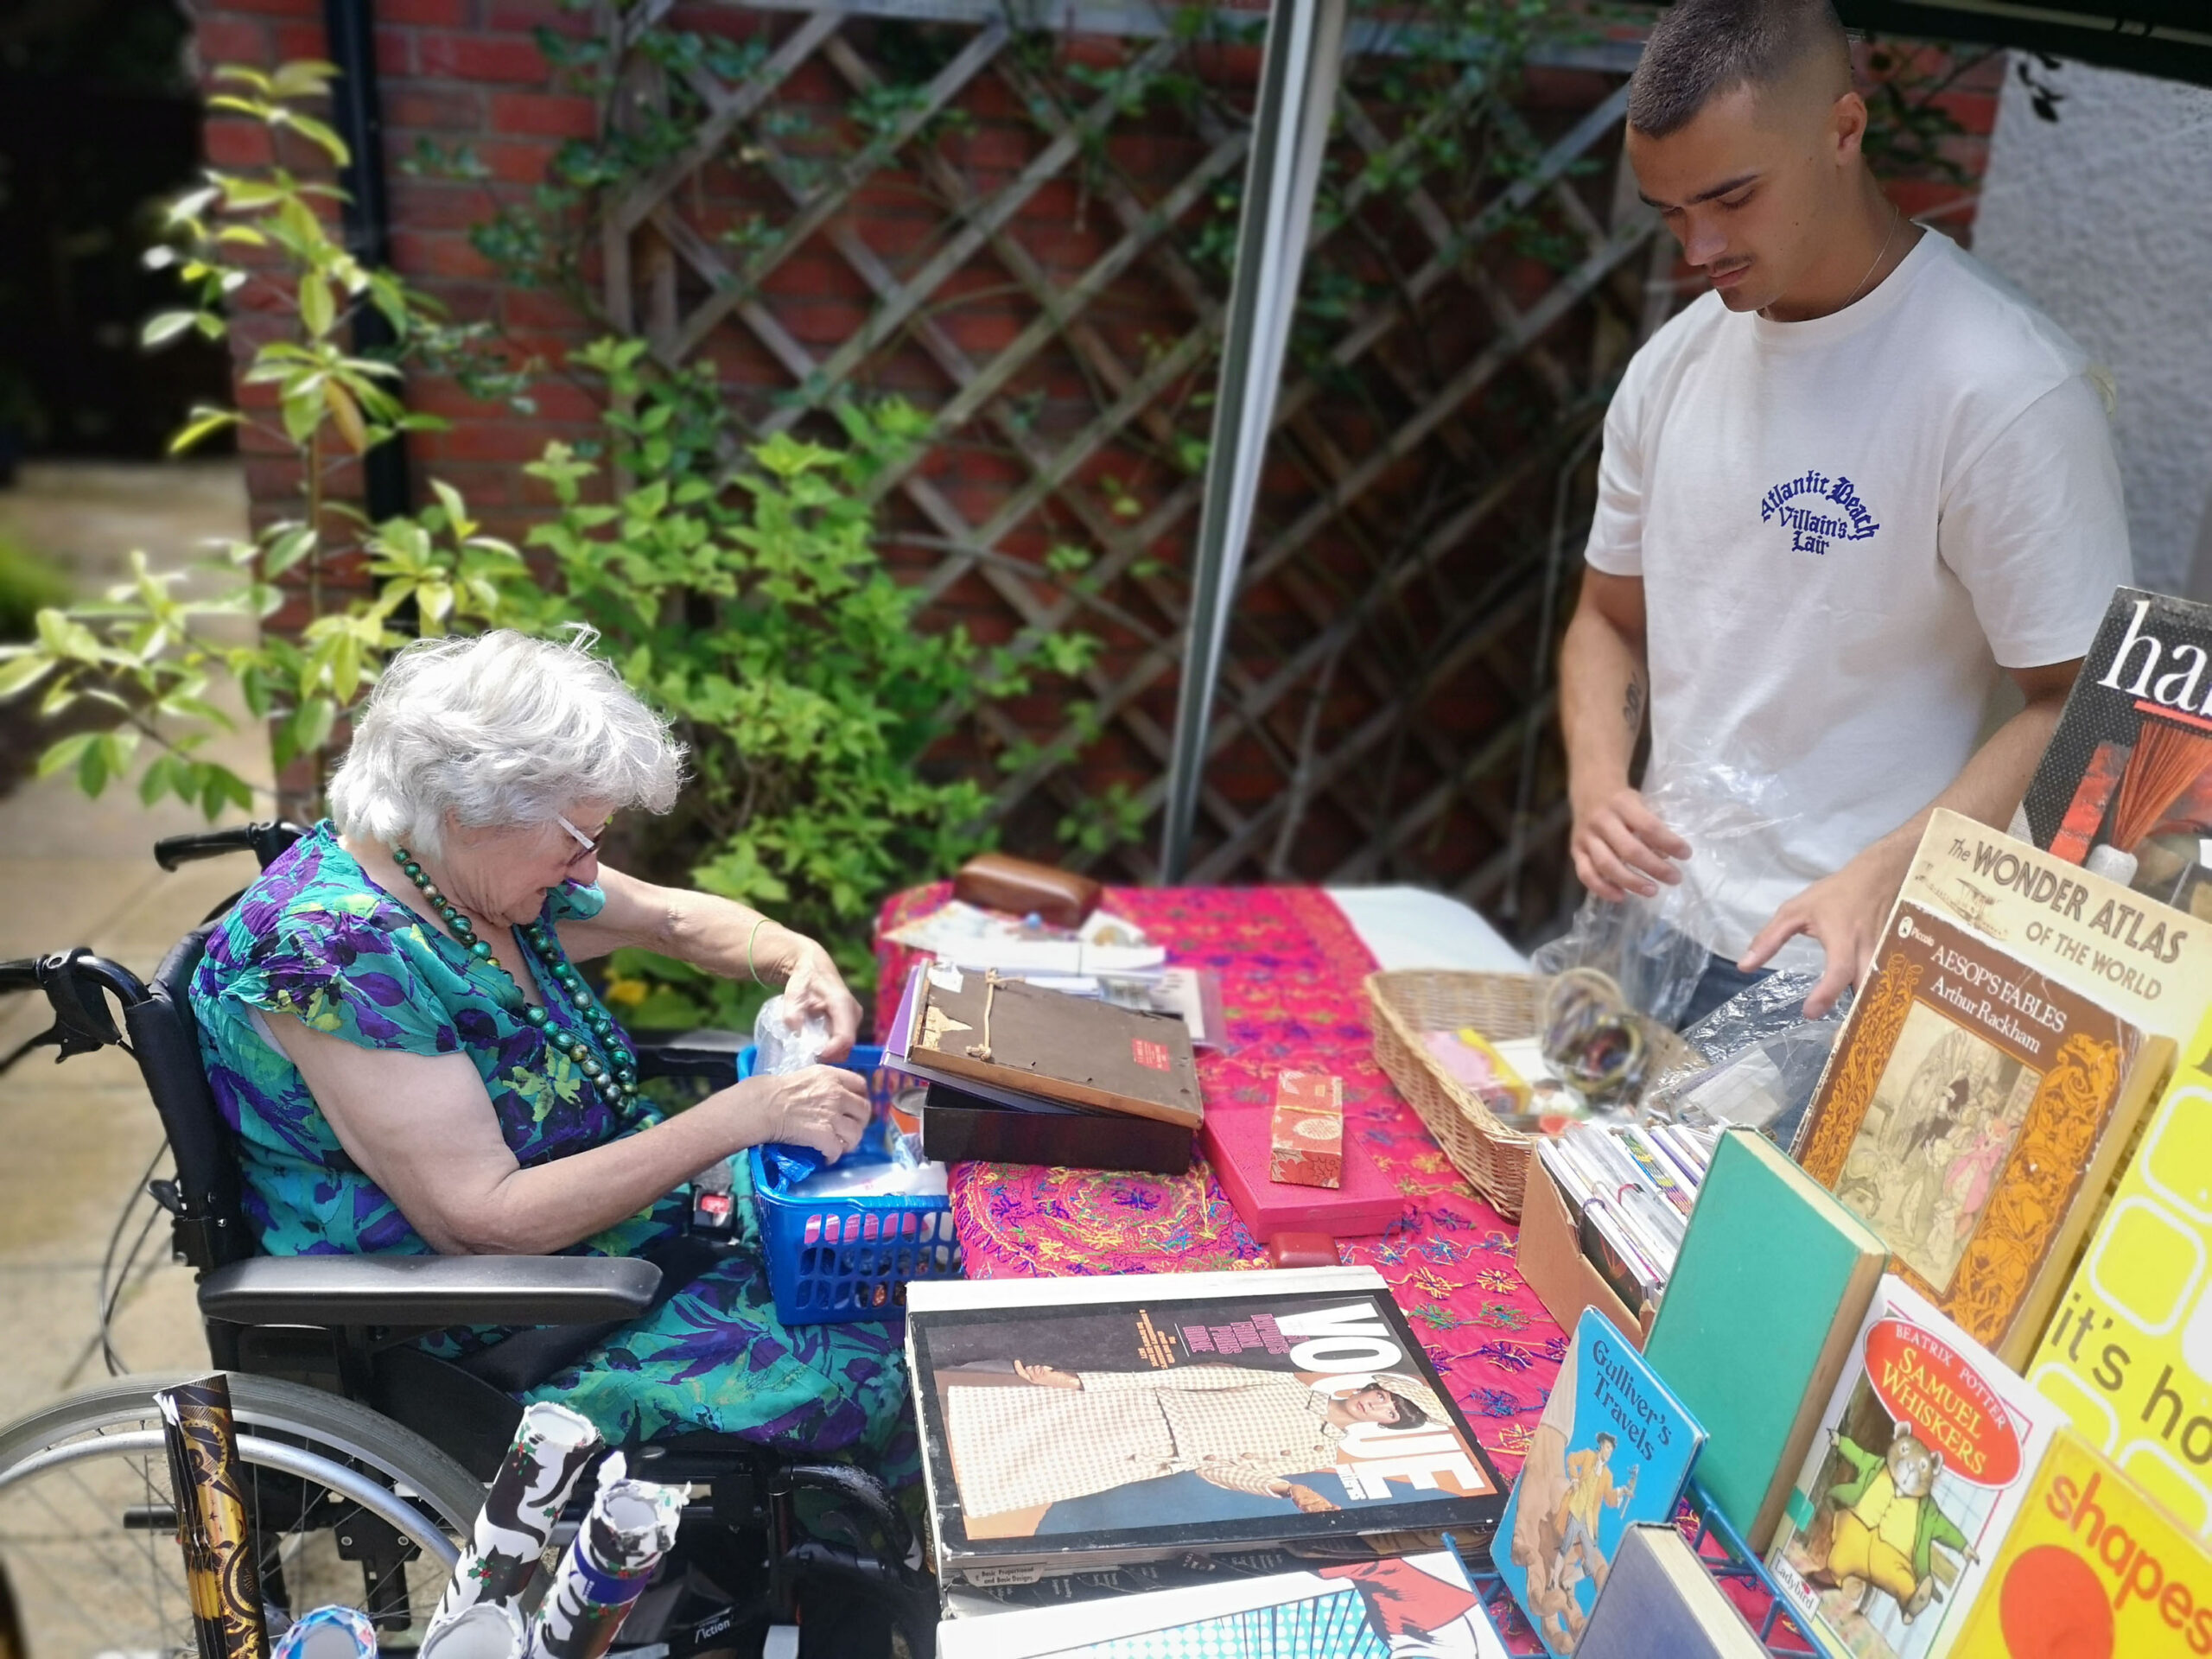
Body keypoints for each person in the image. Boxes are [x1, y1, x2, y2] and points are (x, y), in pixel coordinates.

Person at [191, 630, 913, 1482]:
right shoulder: (337, 955)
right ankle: (807, 1591)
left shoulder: (456, 874)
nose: (590, 865)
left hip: (614, 1257)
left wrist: (795, 956)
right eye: (577, 839)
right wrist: (738, 1119)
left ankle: (831, 1590)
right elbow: (480, 1219)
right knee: (894, 1361)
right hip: (494, 1330)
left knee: (906, 1281)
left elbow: (671, 922)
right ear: (467, 811)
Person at [1560, 0, 2130, 1027]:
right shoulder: (1673, 365)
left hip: (1853, 968)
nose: (1699, 246)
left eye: (1731, 197)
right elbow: (1607, 617)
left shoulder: (2005, 388)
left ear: (1843, 130)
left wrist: (1883, 874)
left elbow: (2080, 706)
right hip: (1648, 926)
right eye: (1671, 212)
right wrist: (1600, 782)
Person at [943, 1361, 1443, 1521]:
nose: (1380, 1407)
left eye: (1391, 1413)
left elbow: (1217, 1469)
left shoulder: (1320, 1452)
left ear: (1386, 1425)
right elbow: (1189, 1374)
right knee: (965, 1428)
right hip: (1126, 1408)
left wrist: (1286, 1490)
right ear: (1369, 1388)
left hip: (1147, 1458)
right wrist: (1082, 1383)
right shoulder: (1285, 1385)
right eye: (1383, 1396)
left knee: (984, 1486)